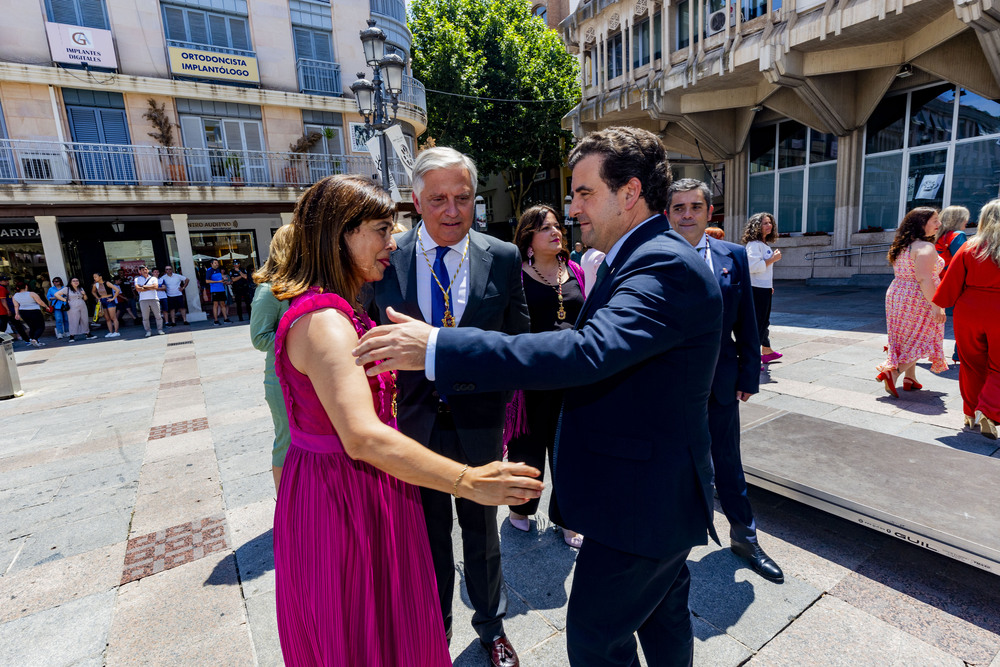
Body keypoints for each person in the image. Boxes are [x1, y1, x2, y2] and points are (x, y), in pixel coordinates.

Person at [355, 126, 725, 666]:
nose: (571, 208)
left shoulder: (662, 263)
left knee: (597, 643)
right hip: (643, 499)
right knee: (664, 623)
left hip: (641, 506)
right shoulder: (642, 255)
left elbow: (586, 352)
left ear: (630, 193)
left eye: (583, 193)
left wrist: (436, 346)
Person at [268, 174, 542, 665]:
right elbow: (362, 437)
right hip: (343, 496)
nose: (392, 242)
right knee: (359, 631)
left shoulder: (331, 308)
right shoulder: (326, 321)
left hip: (356, 486)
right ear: (340, 234)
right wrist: (469, 480)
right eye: (380, 229)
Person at [372, 147, 531, 667]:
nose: (452, 210)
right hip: (409, 428)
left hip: (480, 426)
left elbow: (520, 345)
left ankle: (491, 627)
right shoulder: (385, 259)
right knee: (426, 538)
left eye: (463, 197)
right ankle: (432, 633)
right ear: (415, 200)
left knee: (483, 536)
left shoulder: (502, 256)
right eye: (438, 198)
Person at [667, 179, 783, 583]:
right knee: (673, 465)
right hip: (667, 385)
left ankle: (745, 538)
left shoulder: (732, 255)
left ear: (708, 212)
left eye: (695, 207)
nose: (687, 214)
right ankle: (670, 545)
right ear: (667, 213)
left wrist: (749, 372)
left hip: (720, 380)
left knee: (728, 464)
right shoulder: (653, 255)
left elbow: (747, 322)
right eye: (678, 207)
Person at [506, 205, 586, 549]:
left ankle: (567, 519)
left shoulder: (577, 270)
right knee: (527, 451)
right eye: (545, 229)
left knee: (569, 452)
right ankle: (520, 509)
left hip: (571, 380)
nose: (556, 232)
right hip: (531, 382)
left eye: (557, 227)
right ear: (528, 239)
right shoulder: (517, 275)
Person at [933, 199, 1000, 439]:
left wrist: (939, 305)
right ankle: (988, 410)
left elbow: (949, 286)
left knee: (971, 365)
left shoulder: (970, 246)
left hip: (969, 310)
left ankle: (970, 413)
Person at [876, 207, 948, 396]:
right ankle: (894, 372)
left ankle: (911, 378)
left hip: (898, 294)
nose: (939, 224)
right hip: (918, 297)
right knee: (925, 337)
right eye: (934, 220)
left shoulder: (903, 244)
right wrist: (937, 306)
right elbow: (924, 278)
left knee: (907, 338)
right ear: (921, 223)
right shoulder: (925, 247)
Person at [249, 225, 295, 492]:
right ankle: (285, 503)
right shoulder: (269, 290)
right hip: (281, 379)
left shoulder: (303, 284)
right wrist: (299, 340)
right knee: (286, 440)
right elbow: (259, 338)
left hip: (306, 376)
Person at [743, 212, 782, 365]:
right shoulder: (754, 245)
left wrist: (769, 286)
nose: (769, 226)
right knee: (759, 323)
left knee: (763, 322)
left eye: (770, 222)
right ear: (756, 226)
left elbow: (763, 270)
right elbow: (752, 267)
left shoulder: (763, 245)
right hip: (756, 289)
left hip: (763, 288)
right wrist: (773, 258)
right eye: (765, 223)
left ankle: (766, 350)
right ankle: (751, 358)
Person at [935, 205, 970, 363]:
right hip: (954, 283)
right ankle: (959, 353)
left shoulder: (938, 236)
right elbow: (962, 260)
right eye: (965, 218)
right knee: (964, 320)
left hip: (938, 280)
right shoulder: (958, 235)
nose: (967, 222)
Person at [55, 277, 96, 342]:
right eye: (74, 281)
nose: (76, 282)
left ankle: (87, 334)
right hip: (72, 305)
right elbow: (56, 294)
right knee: (73, 320)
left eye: (77, 280)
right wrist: (65, 300)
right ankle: (72, 336)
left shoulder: (80, 288)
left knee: (84, 319)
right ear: (70, 282)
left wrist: (84, 294)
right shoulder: (67, 289)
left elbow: (85, 299)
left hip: (82, 304)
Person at [12, 281, 50, 347]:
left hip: (23, 312)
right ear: (26, 286)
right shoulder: (32, 293)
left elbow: (16, 306)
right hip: (34, 311)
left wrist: (16, 314)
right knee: (41, 326)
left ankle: (33, 340)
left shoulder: (15, 295)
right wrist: (46, 306)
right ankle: (35, 339)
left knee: (32, 327)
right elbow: (40, 302)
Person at [134, 266, 165, 337]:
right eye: (142, 270)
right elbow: (138, 289)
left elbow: (155, 287)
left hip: (154, 299)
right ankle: (148, 331)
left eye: (146, 269)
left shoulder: (153, 278)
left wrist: (144, 286)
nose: (145, 271)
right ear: (140, 271)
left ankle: (160, 329)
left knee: (158, 316)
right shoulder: (137, 279)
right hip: (143, 300)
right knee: (145, 317)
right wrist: (150, 287)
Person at [91, 272, 121, 338]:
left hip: (109, 299)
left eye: (96, 277)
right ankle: (110, 332)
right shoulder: (95, 285)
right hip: (102, 300)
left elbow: (117, 290)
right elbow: (93, 291)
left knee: (113, 317)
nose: (94, 278)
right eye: (94, 277)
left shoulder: (107, 283)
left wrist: (113, 298)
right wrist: (97, 297)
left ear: (100, 277)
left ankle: (116, 331)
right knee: (107, 318)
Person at [205, 259, 230, 325]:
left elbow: (220, 279)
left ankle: (226, 319)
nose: (217, 264)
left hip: (221, 289)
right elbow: (207, 281)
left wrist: (224, 280)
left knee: (223, 304)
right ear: (211, 264)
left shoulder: (219, 270)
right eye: (215, 263)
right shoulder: (209, 271)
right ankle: (216, 320)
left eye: (217, 263)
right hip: (214, 290)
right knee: (215, 305)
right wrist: (218, 282)